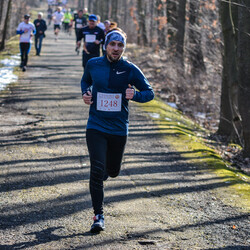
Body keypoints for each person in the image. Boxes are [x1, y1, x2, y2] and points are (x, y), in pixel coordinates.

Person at [80, 28, 154, 233]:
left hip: (119, 128)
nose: (116, 48)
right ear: (106, 45)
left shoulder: (130, 69)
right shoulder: (93, 64)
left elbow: (150, 93)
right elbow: (86, 80)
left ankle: (104, 173)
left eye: (120, 45)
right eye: (113, 44)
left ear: (123, 48)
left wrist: (135, 95)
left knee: (112, 171)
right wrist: (85, 93)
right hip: (95, 125)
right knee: (96, 170)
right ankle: (98, 216)